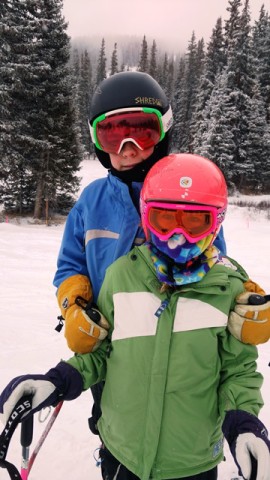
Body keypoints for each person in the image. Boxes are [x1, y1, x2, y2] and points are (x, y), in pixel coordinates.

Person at [0, 153, 269, 480]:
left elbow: (238, 370)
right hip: (122, 451)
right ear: (145, 217)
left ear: (217, 222)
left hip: (192, 460)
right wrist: (58, 381)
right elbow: (101, 353)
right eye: (164, 220)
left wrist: (244, 424)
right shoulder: (121, 276)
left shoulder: (228, 290)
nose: (178, 237)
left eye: (195, 222)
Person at [52, 71, 270, 470]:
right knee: (114, 407)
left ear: (163, 133)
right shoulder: (92, 202)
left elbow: (212, 259)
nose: (129, 148)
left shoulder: (184, 194)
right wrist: (76, 304)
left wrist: (244, 296)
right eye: (113, 136)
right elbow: (69, 263)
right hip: (109, 337)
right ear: (98, 142)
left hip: (177, 342)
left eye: (142, 134)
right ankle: (115, 448)